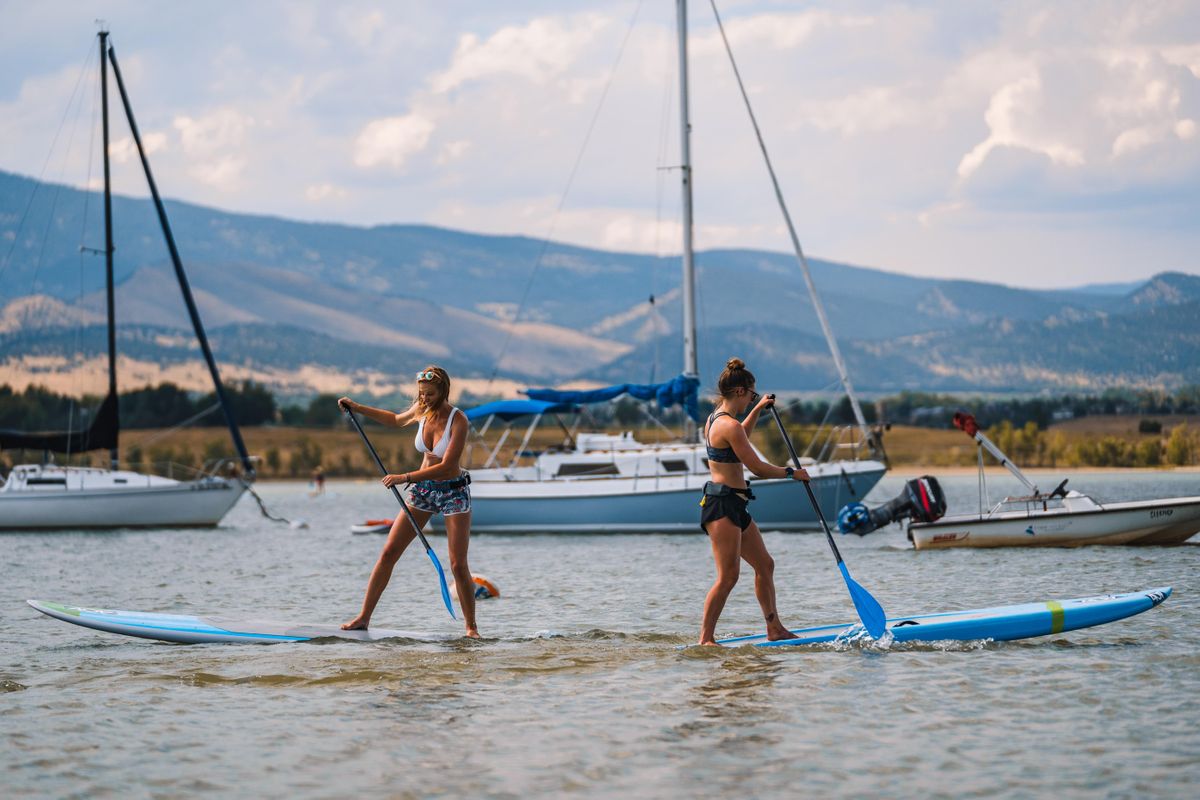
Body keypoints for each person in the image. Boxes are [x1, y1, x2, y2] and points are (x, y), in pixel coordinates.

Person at [338, 365, 479, 638]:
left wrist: (405, 476)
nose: (424, 398)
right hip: (423, 491)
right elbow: (394, 420)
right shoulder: (421, 411)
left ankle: (471, 628)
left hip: (453, 491)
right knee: (389, 552)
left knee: (457, 564)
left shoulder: (458, 420)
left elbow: (449, 466)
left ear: (443, 391)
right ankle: (363, 618)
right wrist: (357, 407)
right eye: (421, 393)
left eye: (429, 394)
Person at [698, 357, 809, 646]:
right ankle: (705, 640)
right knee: (728, 577)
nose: (751, 399)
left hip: (736, 505)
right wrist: (791, 473)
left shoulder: (715, 419)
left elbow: (741, 436)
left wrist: (759, 409)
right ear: (739, 392)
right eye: (752, 395)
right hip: (721, 507)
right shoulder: (727, 425)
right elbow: (757, 468)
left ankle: (775, 629)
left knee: (765, 565)